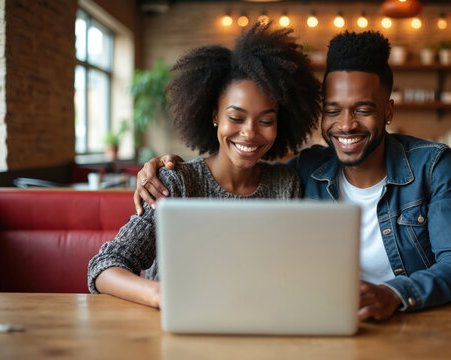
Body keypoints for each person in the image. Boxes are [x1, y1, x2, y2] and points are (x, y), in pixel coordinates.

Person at [134, 30, 451, 320]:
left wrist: (394, 294)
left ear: (387, 111)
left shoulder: (431, 165)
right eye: (333, 111)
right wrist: (167, 167)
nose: (346, 125)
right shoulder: (305, 171)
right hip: (324, 319)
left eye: (363, 110)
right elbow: (241, 177)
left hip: (412, 320)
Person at [87, 22, 321, 308]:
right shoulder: (176, 182)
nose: (250, 132)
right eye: (236, 117)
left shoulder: (287, 183)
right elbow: (104, 266)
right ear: (214, 116)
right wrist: (160, 294)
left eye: (266, 120)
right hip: (174, 326)